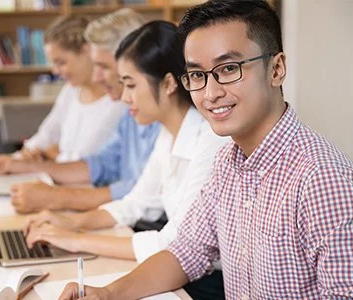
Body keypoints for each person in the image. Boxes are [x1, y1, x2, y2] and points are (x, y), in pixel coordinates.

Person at [57, 1, 353, 299]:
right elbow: (185, 253)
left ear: (277, 69)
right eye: (197, 75)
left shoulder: (325, 180)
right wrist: (106, 294)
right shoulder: (228, 162)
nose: (210, 93)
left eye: (228, 69)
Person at [25, 20, 229, 298]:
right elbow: (136, 203)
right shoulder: (168, 135)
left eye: (131, 85)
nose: (123, 97)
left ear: (168, 83)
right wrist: (71, 223)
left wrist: (75, 240)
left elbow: (174, 244)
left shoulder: (211, 140)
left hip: (208, 285)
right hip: (181, 275)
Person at [0, 9, 161, 214]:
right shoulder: (130, 116)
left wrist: (56, 196)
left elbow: (142, 193)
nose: (96, 77)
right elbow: (98, 165)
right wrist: (22, 166)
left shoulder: (155, 118)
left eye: (103, 66)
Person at [0, 16, 126, 171]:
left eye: (61, 62)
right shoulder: (70, 91)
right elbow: (46, 135)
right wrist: (21, 157)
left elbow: (87, 160)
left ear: (87, 51)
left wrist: (52, 156)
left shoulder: (119, 99)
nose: (55, 71)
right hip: (59, 177)